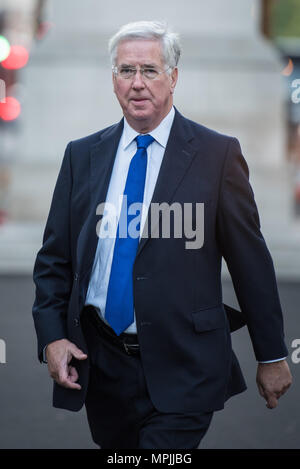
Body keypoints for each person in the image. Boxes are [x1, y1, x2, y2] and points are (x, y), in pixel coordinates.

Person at [32, 21, 292, 449]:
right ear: (113, 79)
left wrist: (271, 354)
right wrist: (53, 338)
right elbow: (54, 259)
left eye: (150, 71)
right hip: (101, 363)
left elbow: (251, 263)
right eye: (125, 71)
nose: (137, 83)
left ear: (174, 76)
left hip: (184, 361)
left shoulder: (217, 155)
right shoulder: (82, 155)